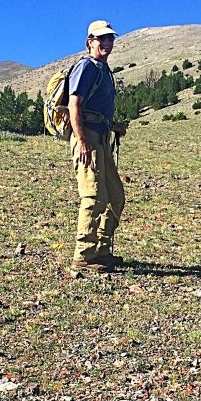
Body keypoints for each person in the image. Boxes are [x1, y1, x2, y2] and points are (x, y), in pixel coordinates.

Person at [68, 20, 127, 274]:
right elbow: (75, 105)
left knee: (115, 197)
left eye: (109, 38)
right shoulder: (86, 67)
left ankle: (102, 249)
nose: (106, 43)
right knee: (93, 196)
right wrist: (81, 140)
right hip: (88, 137)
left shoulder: (103, 70)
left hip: (101, 136)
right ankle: (83, 255)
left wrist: (113, 126)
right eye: (101, 39)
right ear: (90, 41)